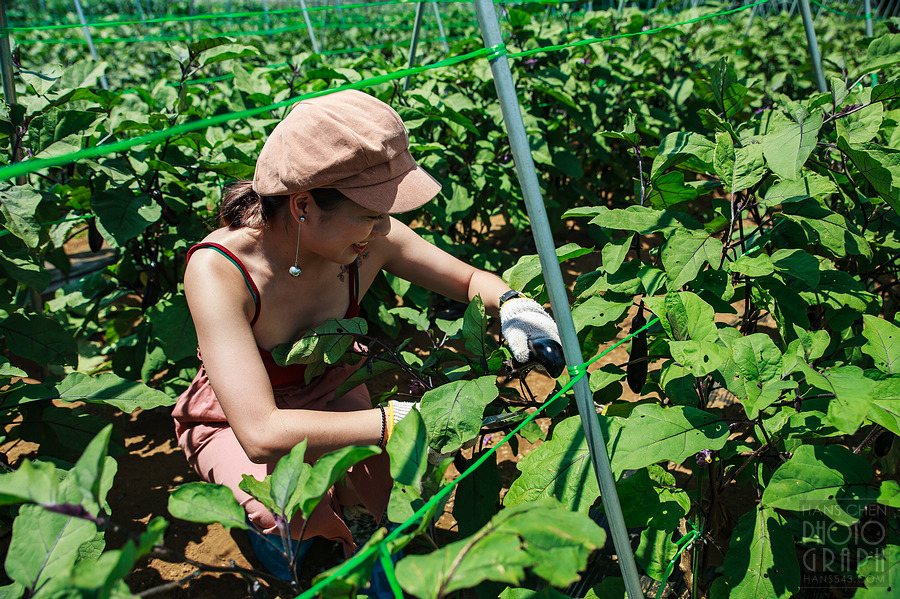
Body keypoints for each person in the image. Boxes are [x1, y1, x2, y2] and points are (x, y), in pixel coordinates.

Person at [171, 89, 561, 586]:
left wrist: (513, 305)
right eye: (369, 213)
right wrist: (394, 421)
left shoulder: (372, 239)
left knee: (381, 510)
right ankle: (277, 547)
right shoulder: (219, 270)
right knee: (286, 520)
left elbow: (467, 281)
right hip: (238, 419)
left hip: (333, 393)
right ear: (304, 205)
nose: (382, 230)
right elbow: (262, 433)